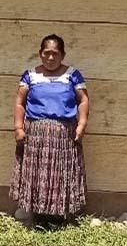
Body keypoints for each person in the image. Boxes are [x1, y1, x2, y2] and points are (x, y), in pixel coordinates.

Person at [9, 34, 89, 227]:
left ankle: (61, 217)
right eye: (47, 53)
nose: (51, 58)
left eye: (55, 54)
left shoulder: (73, 75)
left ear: (62, 55)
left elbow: (83, 100)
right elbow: (20, 103)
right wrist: (18, 127)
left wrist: (81, 124)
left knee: (63, 173)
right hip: (35, 134)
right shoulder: (30, 76)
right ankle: (36, 216)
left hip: (64, 134)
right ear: (40, 54)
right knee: (37, 174)